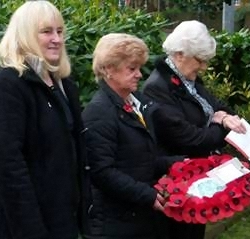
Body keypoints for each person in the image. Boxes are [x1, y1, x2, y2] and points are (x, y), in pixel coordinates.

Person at [0, 1, 90, 239]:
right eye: (46, 31)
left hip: (65, 222)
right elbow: (7, 167)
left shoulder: (64, 85)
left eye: (60, 31)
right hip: (29, 228)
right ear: (25, 35)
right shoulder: (8, 86)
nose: (57, 39)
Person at [142, 20, 246, 239]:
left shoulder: (189, 80)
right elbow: (190, 139)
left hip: (197, 179)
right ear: (180, 54)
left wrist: (224, 116)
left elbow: (218, 106)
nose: (204, 67)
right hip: (176, 184)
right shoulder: (158, 88)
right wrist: (220, 125)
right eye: (200, 60)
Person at [82, 33, 183, 239]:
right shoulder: (100, 112)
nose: (139, 74)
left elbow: (139, 160)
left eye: (138, 67)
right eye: (131, 68)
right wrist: (148, 195)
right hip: (114, 224)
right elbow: (102, 172)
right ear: (109, 69)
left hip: (135, 217)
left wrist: (180, 164)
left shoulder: (134, 104)